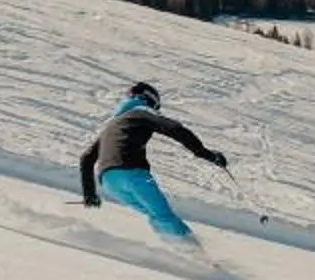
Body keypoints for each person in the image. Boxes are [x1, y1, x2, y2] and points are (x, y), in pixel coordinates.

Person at [77, 81, 226, 241]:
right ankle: (197, 256)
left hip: (109, 182)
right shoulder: (141, 110)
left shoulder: (113, 123)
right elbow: (173, 128)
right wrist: (205, 154)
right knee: (163, 215)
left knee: (155, 215)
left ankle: (180, 252)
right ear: (150, 100)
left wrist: (90, 194)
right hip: (131, 173)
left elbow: (87, 158)